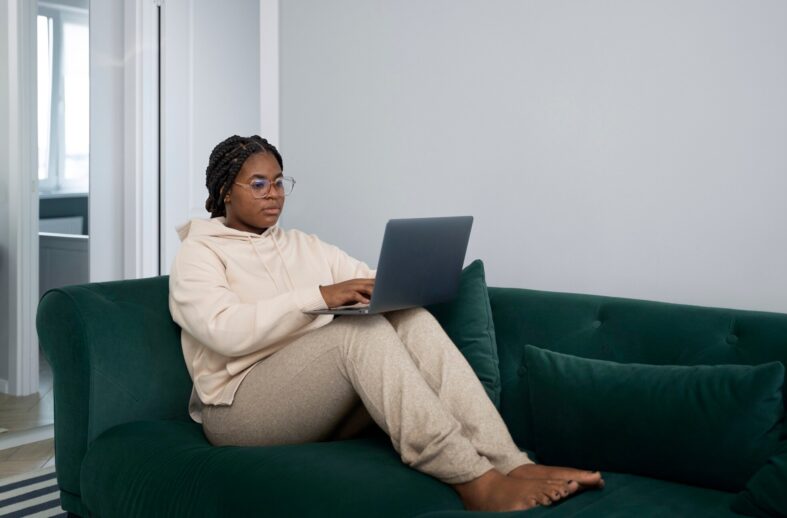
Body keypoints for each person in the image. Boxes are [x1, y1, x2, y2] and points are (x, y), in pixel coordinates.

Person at [168, 135, 604, 512]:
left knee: (406, 315)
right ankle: (473, 480)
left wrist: (399, 283)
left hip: (312, 402)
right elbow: (223, 328)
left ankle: (510, 462)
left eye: (280, 182)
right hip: (238, 410)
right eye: (259, 184)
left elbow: (371, 281)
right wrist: (319, 296)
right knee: (359, 336)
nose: (274, 193)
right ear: (226, 190)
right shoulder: (200, 254)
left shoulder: (302, 245)